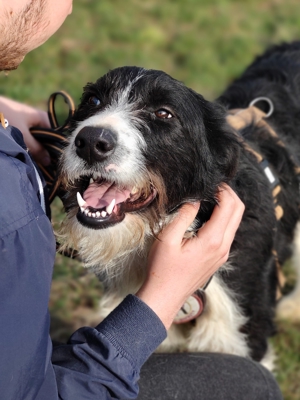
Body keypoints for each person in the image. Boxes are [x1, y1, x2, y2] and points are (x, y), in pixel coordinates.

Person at [0, 1, 283, 399]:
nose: (94, 132)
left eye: (163, 115)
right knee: (251, 384)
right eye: (94, 104)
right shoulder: (10, 217)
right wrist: (158, 302)